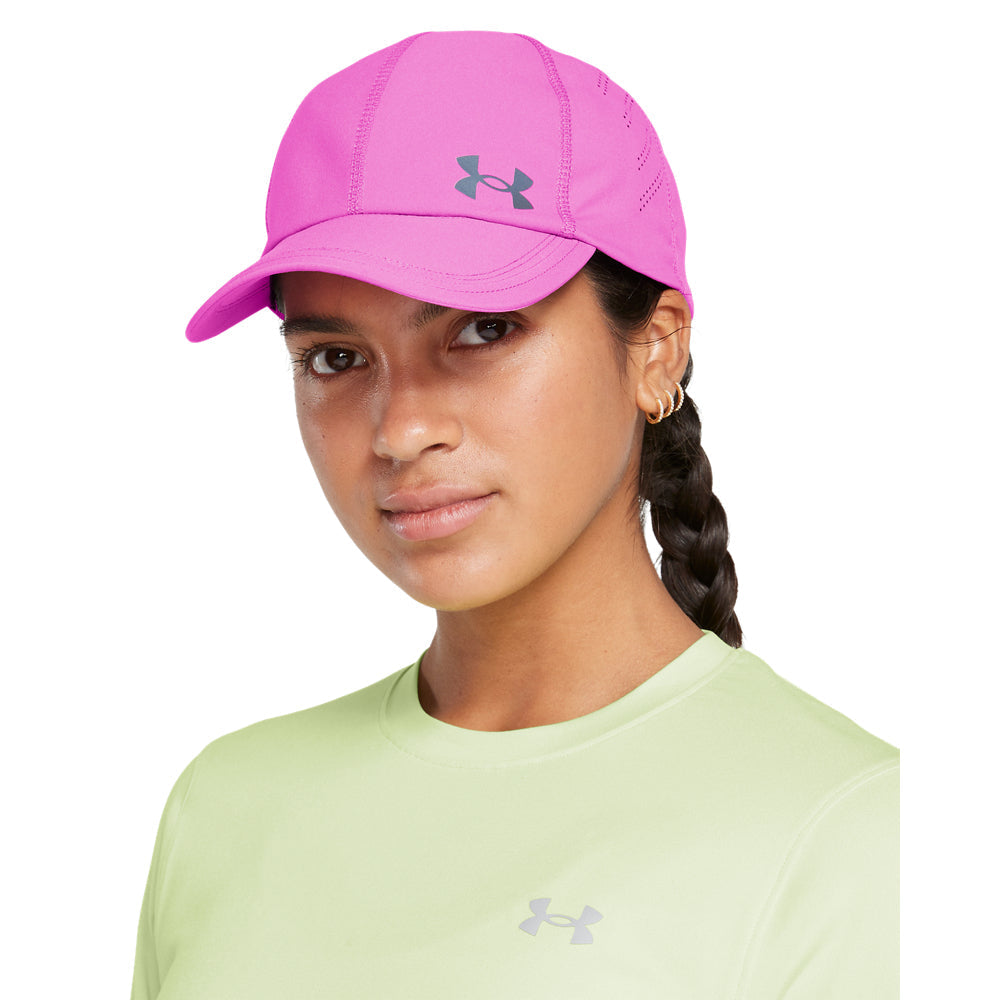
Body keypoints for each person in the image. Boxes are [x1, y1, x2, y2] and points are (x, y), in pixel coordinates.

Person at [131, 30, 899, 999]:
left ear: (656, 350)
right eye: (336, 357)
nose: (401, 429)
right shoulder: (225, 807)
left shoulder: (847, 833)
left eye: (484, 330)